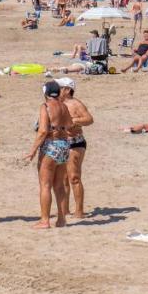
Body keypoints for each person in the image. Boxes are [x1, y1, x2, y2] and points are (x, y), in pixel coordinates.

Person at [23, 80, 74, 229]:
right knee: (59, 185)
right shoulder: (64, 106)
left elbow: (43, 130)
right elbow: (70, 125)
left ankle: (45, 220)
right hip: (64, 146)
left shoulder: (45, 106)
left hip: (51, 146)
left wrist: (32, 151)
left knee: (45, 185)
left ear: (45, 93)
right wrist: (60, 128)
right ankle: (61, 219)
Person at [57, 78, 94, 219]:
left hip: (75, 142)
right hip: (62, 143)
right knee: (63, 178)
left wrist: (74, 121)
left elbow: (89, 119)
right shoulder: (57, 103)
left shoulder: (75, 103)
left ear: (67, 89)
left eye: (60, 87)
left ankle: (79, 211)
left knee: (74, 177)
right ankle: (64, 210)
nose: (57, 90)